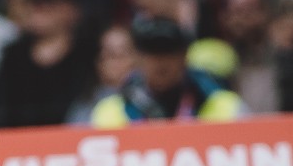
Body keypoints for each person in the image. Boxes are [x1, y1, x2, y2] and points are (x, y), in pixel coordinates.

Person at [91, 15, 246, 128]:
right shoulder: (110, 112)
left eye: (169, 51)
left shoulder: (226, 106)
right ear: (138, 58)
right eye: (152, 52)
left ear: (184, 56)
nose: (161, 61)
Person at [0, 0, 98, 128]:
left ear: (72, 9)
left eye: (49, 0)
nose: (39, 7)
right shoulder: (12, 57)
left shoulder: (89, 58)